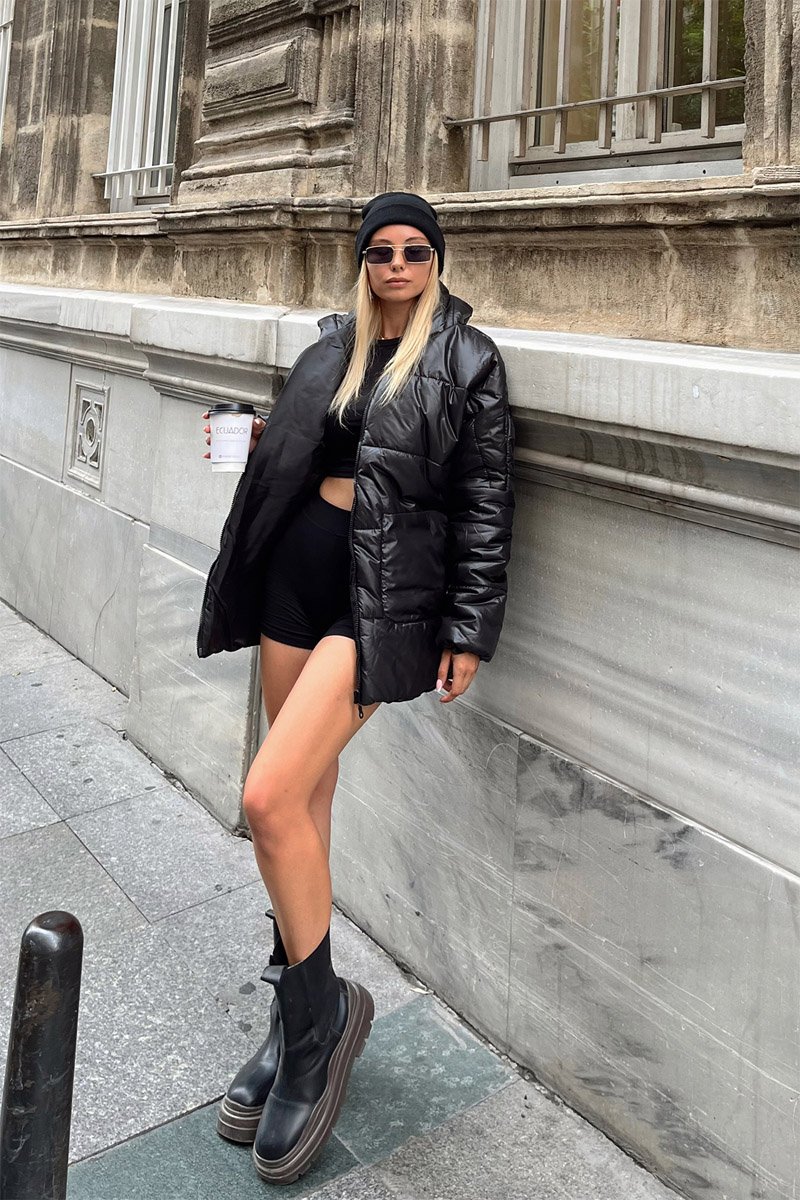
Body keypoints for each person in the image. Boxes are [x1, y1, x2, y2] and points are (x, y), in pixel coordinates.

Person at [197, 191, 515, 1185]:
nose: (397, 265)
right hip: (291, 580)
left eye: (415, 250)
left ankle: (317, 1030)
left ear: (437, 259)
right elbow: (309, 450)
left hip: (377, 599)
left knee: (265, 797)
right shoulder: (330, 348)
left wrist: (469, 628)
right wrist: (263, 440)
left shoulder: (466, 359)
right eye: (380, 250)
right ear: (362, 260)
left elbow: (487, 502)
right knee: (303, 803)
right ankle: (299, 1008)